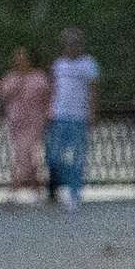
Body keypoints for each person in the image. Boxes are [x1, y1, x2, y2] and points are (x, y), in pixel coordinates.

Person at [46, 27, 101, 210]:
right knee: (54, 156)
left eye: (73, 44)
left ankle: (74, 193)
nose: (70, 47)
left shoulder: (88, 64)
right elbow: (53, 89)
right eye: (67, 44)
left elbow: (93, 90)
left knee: (78, 157)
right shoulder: (58, 65)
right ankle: (62, 185)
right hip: (60, 115)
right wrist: (49, 110)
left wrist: (93, 112)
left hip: (79, 116)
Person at [0, 47, 50, 205]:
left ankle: (14, 190)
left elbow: (46, 97)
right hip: (16, 122)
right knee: (26, 156)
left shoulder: (39, 78)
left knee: (24, 154)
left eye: (24, 57)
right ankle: (36, 189)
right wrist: (16, 87)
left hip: (34, 122)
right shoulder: (10, 78)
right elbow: (2, 95)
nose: (21, 60)